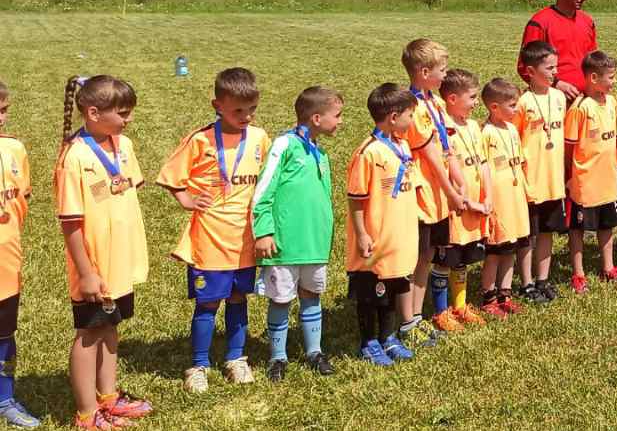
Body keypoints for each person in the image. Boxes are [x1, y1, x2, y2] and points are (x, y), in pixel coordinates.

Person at [157, 67, 269, 393]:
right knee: (208, 303)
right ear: (217, 105)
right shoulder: (200, 140)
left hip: (245, 237)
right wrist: (186, 199)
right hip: (209, 236)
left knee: (238, 297)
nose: (246, 116)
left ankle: (236, 358)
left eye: (251, 110)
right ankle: (199, 365)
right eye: (238, 110)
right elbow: (171, 176)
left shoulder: (260, 138)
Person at [57, 75, 153, 431]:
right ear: (94, 113)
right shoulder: (75, 157)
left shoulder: (122, 144)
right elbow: (71, 222)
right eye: (123, 113)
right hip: (95, 265)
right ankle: (86, 413)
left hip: (120, 259)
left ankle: (108, 397)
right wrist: (86, 272)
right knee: (90, 332)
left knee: (111, 327)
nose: (128, 120)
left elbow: (124, 186)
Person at [252, 86, 344, 382]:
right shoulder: (285, 145)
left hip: (314, 244)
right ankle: (277, 357)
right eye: (337, 115)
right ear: (316, 118)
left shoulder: (321, 152)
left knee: (311, 295)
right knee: (280, 299)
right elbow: (264, 189)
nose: (341, 121)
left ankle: (314, 351)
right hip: (284, 244)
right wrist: (264, 230)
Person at [346, 84, 421, 366]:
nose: (412, 121)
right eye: (409, 116)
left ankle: (388, 337)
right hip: (375, 239)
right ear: (393, 116)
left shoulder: (402, 146)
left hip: (398, 236)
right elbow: (356, 199)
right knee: (372, 293)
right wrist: (362, 233)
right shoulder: (369, 153)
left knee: (394, 286)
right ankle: (369, 342)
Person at [400, 39, 467, 349]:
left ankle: (417, 315)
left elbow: (447, 147)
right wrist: (451, 190)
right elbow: (428, 155)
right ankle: (407, 320)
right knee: (416, 257)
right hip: (424, 192)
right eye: (441, 70)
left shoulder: (436, 103)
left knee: (427, 256)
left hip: (440, 193)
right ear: (424, 71)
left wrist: (460, 179)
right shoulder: (411, 107)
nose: (445, 75)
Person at [565, 50, 617, 287]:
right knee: (578, 229)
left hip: (608, 180)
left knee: (606, 225)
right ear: (593, 78)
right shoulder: (580, 108)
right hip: (584, 181)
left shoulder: (611, 102)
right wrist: (570, 178)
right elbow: (569, 148)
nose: (614, 82)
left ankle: (608, 266)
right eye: (610, 77)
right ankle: (578, 273)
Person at [435, 70, 491, 325]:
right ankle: (440, 312)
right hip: (456, 207)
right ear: (452, 98)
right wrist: (469, 201)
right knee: (446, 260)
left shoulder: (472, 126)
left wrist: (487, 196)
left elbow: (483, 163)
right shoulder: (444, 128)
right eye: (472, 97)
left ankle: (460, 307)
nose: (476, 102)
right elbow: (447, 170)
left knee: (464, 260)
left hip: (476, 206)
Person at [515, 40, 568, 301]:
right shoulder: (522, 103)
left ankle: (543, 278)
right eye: (548, 68)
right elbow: (514, 139)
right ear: (530, 71)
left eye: (555, 67)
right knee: (528, 235)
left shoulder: (559, 98)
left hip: (553, 180)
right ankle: (526, 283)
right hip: (530, 180)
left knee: (547, 232)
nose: (554, 73)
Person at [0, 79, 38, 428]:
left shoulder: (14, 149)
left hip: (6, 262)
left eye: (4, 110)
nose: (1, 118)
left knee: (4, 333)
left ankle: (5, 399)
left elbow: (22, 196)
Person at [481, 77, 532, 311]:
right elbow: (483, 170)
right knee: (495, 251)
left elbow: (520, 162)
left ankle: (505, 293)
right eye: (512, 105)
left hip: (516, 199)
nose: (516, 109)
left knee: (512, 247)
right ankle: (488, 296)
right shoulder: (486, 133)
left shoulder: (512, 129)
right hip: (499, 201)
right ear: (494, 107)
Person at [521, 0, 598, 101]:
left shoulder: (588, 21)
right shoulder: (540, 22)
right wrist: (556, 84)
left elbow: (594, 62)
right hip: (553, 99)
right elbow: (524, 66)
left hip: (586, 99)